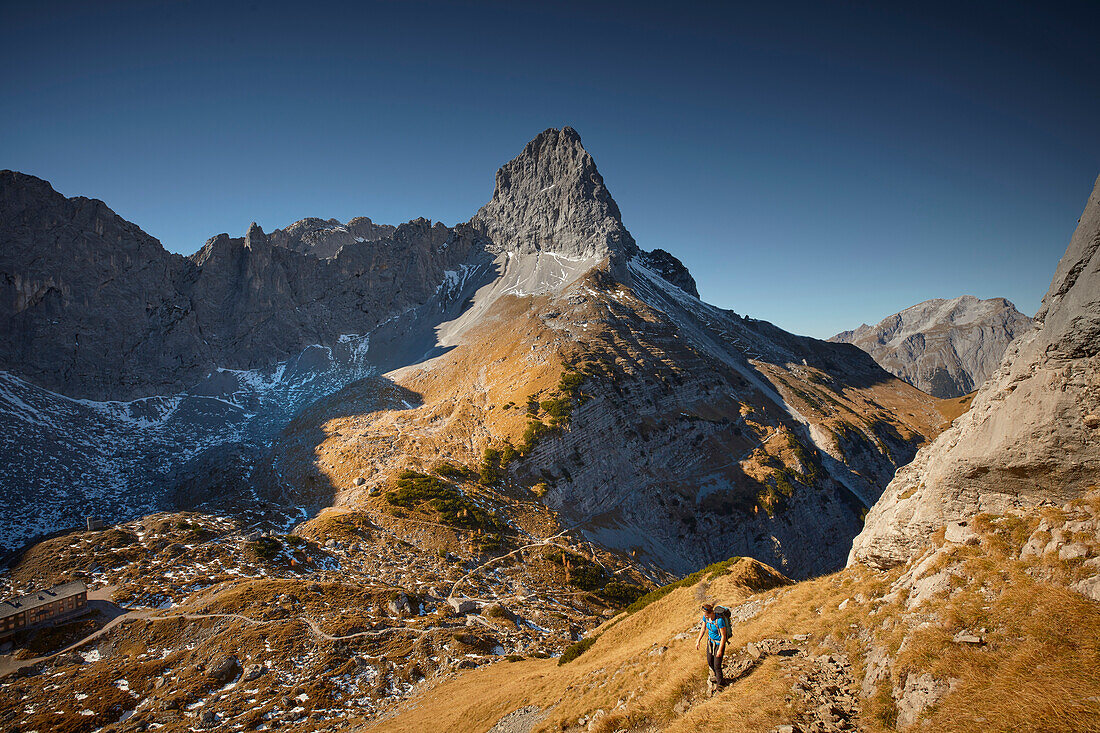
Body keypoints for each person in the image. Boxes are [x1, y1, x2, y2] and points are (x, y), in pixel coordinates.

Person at [695, 602, 727, 691]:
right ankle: (717, 677)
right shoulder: (706, 618)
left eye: (706, 615)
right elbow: (703, 628)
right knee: (710, 661)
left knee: (717, 665)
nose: (704, 616)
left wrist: (720, 650)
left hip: (718, 643)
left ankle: (720, 686)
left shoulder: (719, 621)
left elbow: (724, 636)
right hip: (710, 642)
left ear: (710, 613)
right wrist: (698, 640)